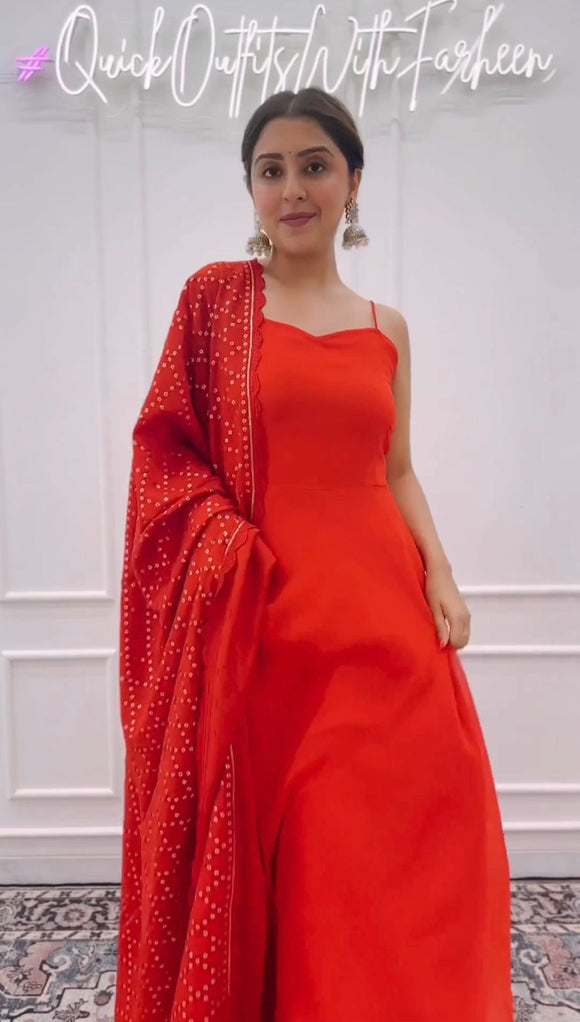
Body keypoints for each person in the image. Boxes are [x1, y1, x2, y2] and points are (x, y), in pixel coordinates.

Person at [114, 87, 516, 1022]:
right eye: (271, 170)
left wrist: (441, 575)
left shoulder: (386, 328)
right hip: (268, 620)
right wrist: (224, 547)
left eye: (314, 166)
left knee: (424, 824)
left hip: (384, 613)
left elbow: (397, 468)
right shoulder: (218, 304)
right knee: (315, 842)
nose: (292, 188)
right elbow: (164, 451)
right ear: (251, 190)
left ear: (353, 182)